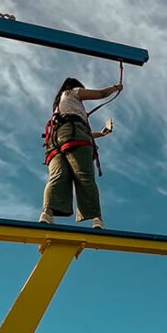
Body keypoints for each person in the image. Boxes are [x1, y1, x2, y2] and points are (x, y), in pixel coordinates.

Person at [39, 76, 122, 229]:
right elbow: (101, 94)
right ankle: (96, 219)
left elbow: (73, 130)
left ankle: (47, 213)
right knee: (84, 176)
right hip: (74, 134)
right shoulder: (73, 92)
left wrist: (100, 134)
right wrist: (116, 87)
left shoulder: (60, 105)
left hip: (56, 139)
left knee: (58, 176)